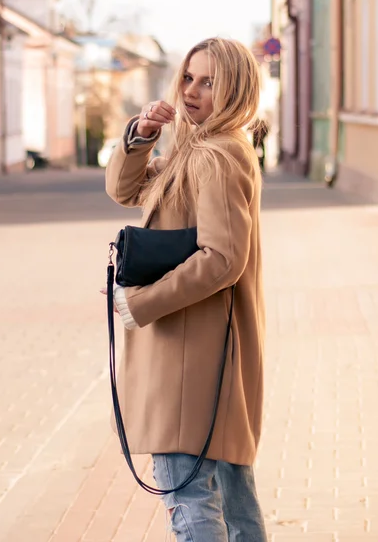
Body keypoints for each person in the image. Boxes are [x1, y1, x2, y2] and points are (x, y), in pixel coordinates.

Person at [103, 37, 268, 541]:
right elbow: (126, 190)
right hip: (209, 354)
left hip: (188, 359)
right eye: (189, 78)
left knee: (189, 498)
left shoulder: (213, 157)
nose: (192, 91)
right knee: (234, 501)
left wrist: (140, 304)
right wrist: (143, 134)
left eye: (209, 82)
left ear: (235, 90)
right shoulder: (206, 149)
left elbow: (222, 259)